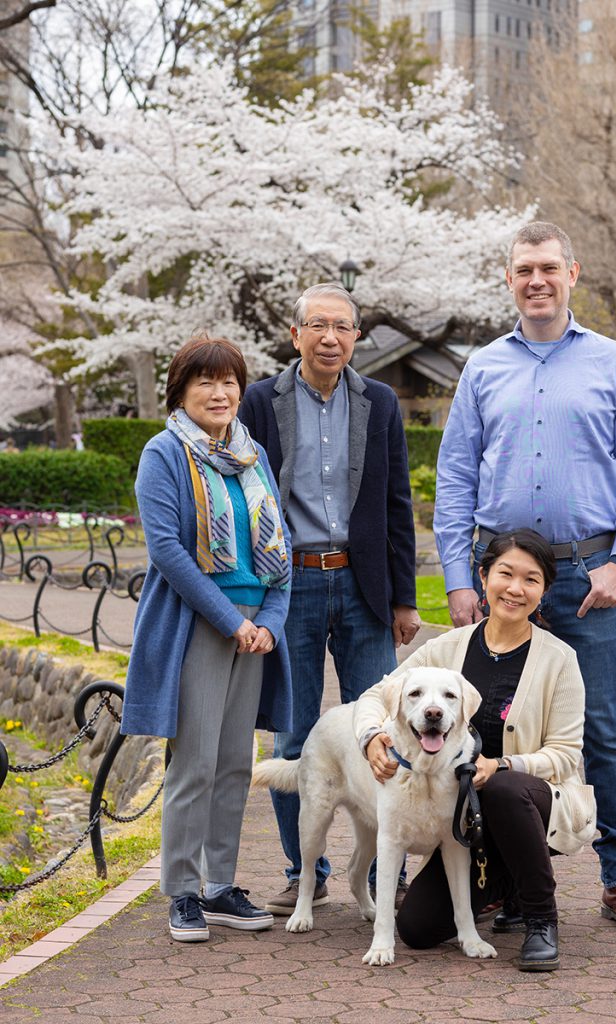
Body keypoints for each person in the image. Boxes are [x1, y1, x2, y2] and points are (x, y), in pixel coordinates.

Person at [434, 221, 616, 933]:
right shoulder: (481, 369)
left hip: (590, 578)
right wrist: (457, 577)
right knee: (494, 730)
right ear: (509, 279)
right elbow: (455, 476)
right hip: (500, 582)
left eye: (549, 268)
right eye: (524, 269)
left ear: (574, 273)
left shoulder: (615, 363)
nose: (537, 280)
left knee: (602, 729)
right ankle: (498, 876)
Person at [239, 282, 421, 915]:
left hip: (366, 585)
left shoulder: (381, 402)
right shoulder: (260, 402)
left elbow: (397, 502)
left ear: (356, 336)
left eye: (343, 327)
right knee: (293, 737)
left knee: (380, 731)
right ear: (295, 335)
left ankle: (384, 873)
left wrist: (404, 597)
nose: (330, 338)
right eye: (317, 325)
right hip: (288, 585)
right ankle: (304, 868)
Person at [354, 529, 597, 971]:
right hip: (466, 820)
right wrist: (371, 736)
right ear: (483, 577)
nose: (515, 589)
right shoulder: (447, 647)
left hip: (529, 802)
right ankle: (506, 885)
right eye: (505, 574)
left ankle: (541, 917)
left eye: (531, 579)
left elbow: (565, 754)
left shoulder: (560, 659)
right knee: (419, 929)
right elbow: (378, 694)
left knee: (503, 789)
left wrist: (501, 763)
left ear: (544, 591)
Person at [121, 334, 293, 943]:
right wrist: (233, 621)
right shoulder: (164, 453)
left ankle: (221, 886)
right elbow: (167, 549)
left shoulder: (251, 454)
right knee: (192, 762)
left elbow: (280, 549)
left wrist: (269, 621)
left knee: (232, 763)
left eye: (229, 382)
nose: (219, 393)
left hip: (254, 632)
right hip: (200, 624)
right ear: (182, 391)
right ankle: (182, 892)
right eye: (205, 383)